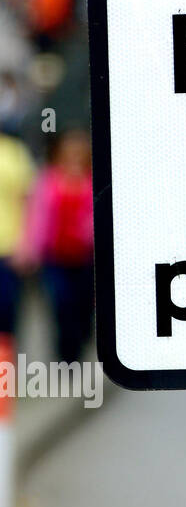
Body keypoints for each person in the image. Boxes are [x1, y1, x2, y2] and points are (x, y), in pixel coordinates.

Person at [21, 129, 95, 364]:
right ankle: (66, 356)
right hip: (55, 257)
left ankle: (81, 342)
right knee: (61, 304)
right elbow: (37, 216)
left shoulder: (92, 179)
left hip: (86, 257)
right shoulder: (48, 179)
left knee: (84, 304)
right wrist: (30, 249)